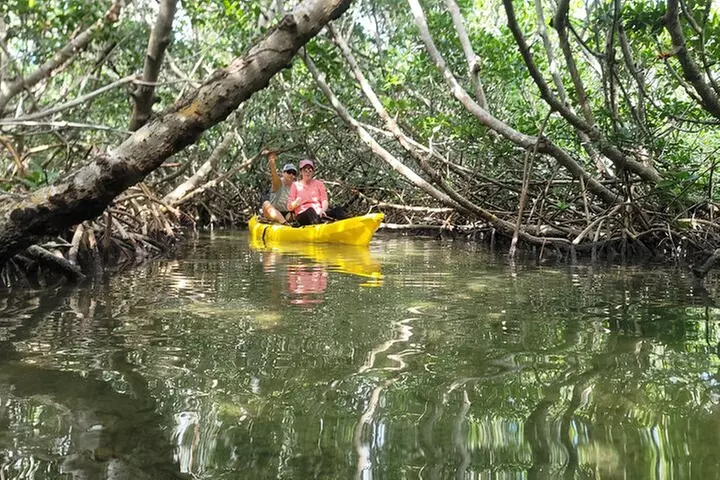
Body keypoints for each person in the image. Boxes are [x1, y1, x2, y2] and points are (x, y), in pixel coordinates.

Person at [287, 159, 346, 226]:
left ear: (313, 172)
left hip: (319, 213)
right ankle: (321, 230)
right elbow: (289, 207)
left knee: (338, 210)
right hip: (303, 214)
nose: (307, 172)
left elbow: (324, 199)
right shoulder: (295, 185)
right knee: (310, 211)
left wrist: (323, 210)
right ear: (301, 172)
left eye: (310, 170)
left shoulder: (319, 184)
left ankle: (347, 227)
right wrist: (295, 203)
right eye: (305, 170)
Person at [261, 150, 297, 224]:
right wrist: (272, 161)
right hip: (273, 213)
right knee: (266, 203)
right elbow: (274, 172)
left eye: (293, 173)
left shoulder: (296, 186)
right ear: (283, 173)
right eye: (289, 172)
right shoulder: (278, 183)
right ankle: (284, 223)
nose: (291, 175)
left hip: (287, 214)